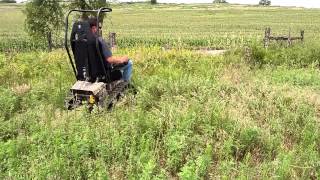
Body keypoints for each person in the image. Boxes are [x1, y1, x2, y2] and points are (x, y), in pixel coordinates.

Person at [89, 18, 133, 82]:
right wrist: (121, 59)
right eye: (99, 27)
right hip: (104, 73)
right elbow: (110, 59)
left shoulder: (82, 42)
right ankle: (125, 85)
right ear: (94, 28)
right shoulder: (99, 41)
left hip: (90, 73)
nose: (99, 29)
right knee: (129, 63)